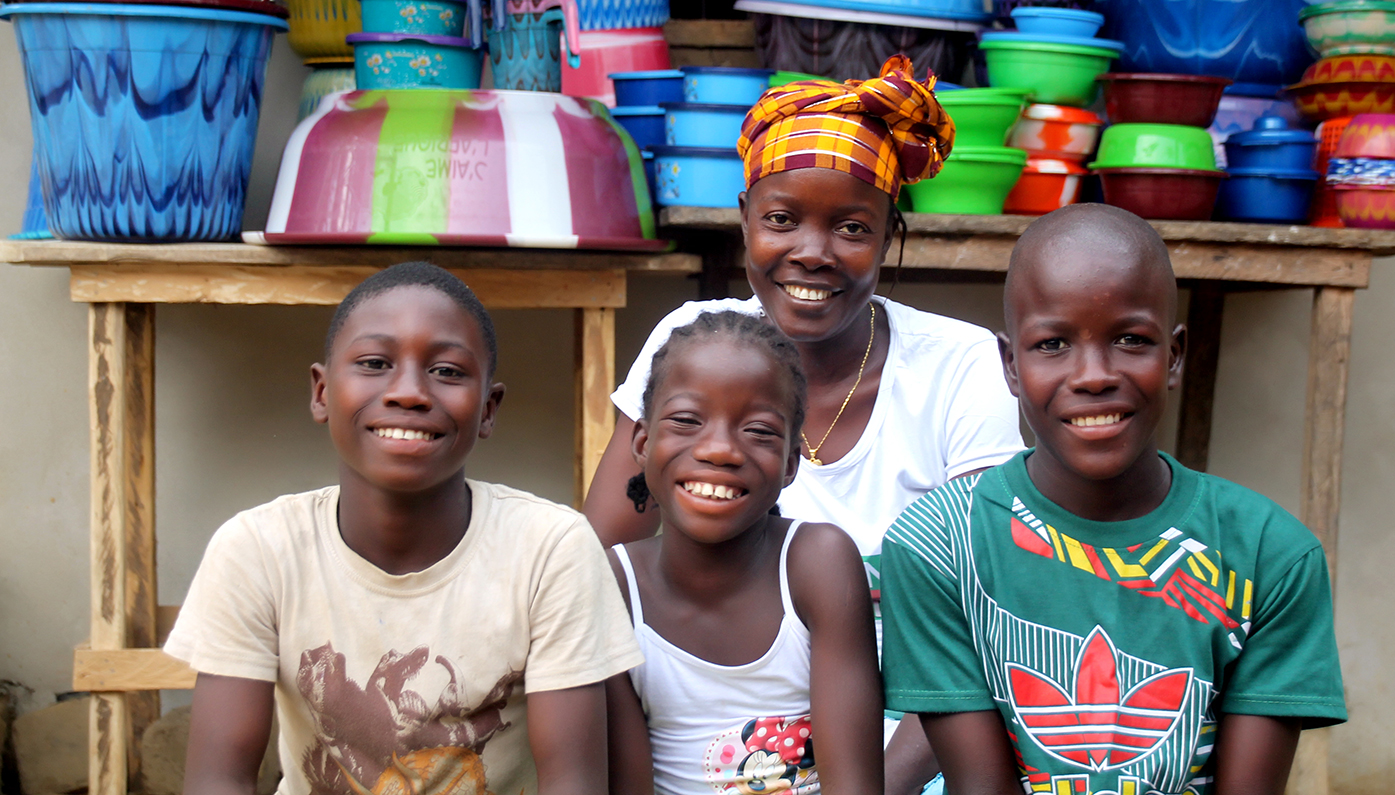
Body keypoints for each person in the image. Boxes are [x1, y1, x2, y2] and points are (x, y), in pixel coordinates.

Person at [585, 56, 1026, 794]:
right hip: (710, 749)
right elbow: (595, 569)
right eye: (782, 219)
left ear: (890, 235)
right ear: (746, 219)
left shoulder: (958, 369)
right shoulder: (694, 342)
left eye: (851, 227)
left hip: (916, 749)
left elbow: (989, 623)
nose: (811, 253)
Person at [879, 204, 1347, 795]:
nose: (1094, 374)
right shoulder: (941, 543)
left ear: (1173, 356)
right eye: (1052, 344)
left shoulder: (1269, 554)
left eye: (1131, 339)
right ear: (1011, 366)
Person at [165, 262, 643, 795]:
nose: (409, 391)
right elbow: (218, 779)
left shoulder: (550, 549)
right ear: (322, 393)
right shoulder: (258, 551)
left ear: (488, 408)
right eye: (374, 363)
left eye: (448, 371)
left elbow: (573, 782)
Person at [604, 310, 883, 795]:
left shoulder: (818, 564)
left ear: (792, 463)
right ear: (643, 442)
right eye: (688, 420)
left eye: (757, 430)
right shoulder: (614, 587)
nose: (720, 450)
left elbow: (855, 786)